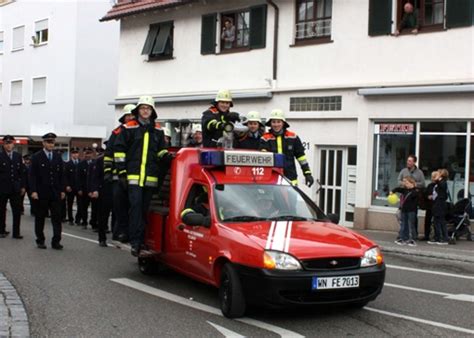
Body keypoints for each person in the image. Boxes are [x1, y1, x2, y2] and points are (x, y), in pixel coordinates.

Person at [114, 96, 171, 256]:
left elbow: (160, 150)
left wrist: (166, 156)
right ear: (138, 110)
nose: (145, 111)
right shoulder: (128, 127)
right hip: (133, 177)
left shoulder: (158, 130)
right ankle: (135, 242)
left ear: (152, 111)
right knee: (136, 208)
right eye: (143, 108)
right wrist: (122, 173)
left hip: (150, 178)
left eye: (148, 108)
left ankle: (141, 240)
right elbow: (119, 151)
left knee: (145, 210)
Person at [104, 104, 135, 242]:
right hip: (118, 177)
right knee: (119, 206)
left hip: (133, 175)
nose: (130, 118)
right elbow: (109, 154)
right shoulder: (116, 133)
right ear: (124, 117)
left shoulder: (137, 131)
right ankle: (119, 232)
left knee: (131, 206)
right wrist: (107, 171)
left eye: (132, 115)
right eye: (128, 115)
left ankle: (126, 233)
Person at [259, 109, 314, 187]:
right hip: (271, 178)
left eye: (278, 122)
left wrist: (307, 173)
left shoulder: (293, 137)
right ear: (270, 123)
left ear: (283, 123)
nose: (276, 124)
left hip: (291, 178)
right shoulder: (265, 138)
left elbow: (301, 157)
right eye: (273, 122)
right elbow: (263, 158)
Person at [29, 133, 66, 249]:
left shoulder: (57, 156)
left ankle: (56, 241)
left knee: (57, 218)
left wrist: (62, 190)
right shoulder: (36, 157)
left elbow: (61, 175)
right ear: (43, 143)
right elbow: (32, 176)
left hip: (55, 193)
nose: (51, 144)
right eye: (49, 142)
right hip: (41, 193)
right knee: (40, 217)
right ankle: (40, 240)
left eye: (52, 142)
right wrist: (33, 191)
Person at [0, 136, 26, 239]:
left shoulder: (18, 156)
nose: (8, 145)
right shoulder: (0, 156)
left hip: (15, 188)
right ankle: (2, 230)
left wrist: (23, 186)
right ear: (3, 145)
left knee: (17, 211)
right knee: (1, 211)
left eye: (10, 143)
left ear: (13, 144)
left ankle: (16, 232)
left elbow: (22, 172)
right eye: (6, 143)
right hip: (2, 188)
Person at [392, 177, 419, 246]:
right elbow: (398, 189)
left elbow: (415, 202)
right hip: (404, 210)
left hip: (411, 211)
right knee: (404, 224)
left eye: (407, 183)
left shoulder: (415, 191)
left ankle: (412, 239)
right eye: (405, 183)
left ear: (412, 183)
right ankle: (404, 238)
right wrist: (392, 191)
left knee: (411, 225)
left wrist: (413, 189)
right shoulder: (405, 190)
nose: (406, 184)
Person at [428, 169, 449, 245]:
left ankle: (445, 238)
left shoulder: (443, 182)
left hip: (441, 204)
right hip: (436, 203)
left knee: (441, 221)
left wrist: (438, 179)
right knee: (436, 221)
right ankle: (437, 237)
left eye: (439, 173)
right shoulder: (438, 183)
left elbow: (442, 186)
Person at [78, 147, 96, 229]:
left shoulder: (96, 163)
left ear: (92, 154)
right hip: (84, 190)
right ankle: (84, 222)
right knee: (84, 207)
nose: (87, 155)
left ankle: (93, 222)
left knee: (94, 208)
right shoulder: (81, 164)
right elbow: (78, 178)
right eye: (86, 153)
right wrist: (80, 189)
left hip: (93, 189)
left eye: (89, 153)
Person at [64, 147, 82, 225]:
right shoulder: (68, 164)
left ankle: (78, 219)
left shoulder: (81, 163)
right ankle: (70, 219)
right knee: (70, 204)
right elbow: (65, 176)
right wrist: (67, 185)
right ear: (71, 154)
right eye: (73, 153)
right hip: (70, 188)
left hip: (79, 188)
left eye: (76, 153)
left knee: (80, 204)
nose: (75, 154)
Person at [422, 171, 437, 241]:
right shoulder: (430, 185)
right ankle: (426, 235)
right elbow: (425, 193)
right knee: (427, 221)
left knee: (435, 222)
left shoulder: (439, 185)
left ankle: (435, 236)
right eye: (432, 177)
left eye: (434, 177)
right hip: (429, 205)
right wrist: (427, 196)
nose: (432, 178)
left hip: (436, 205)